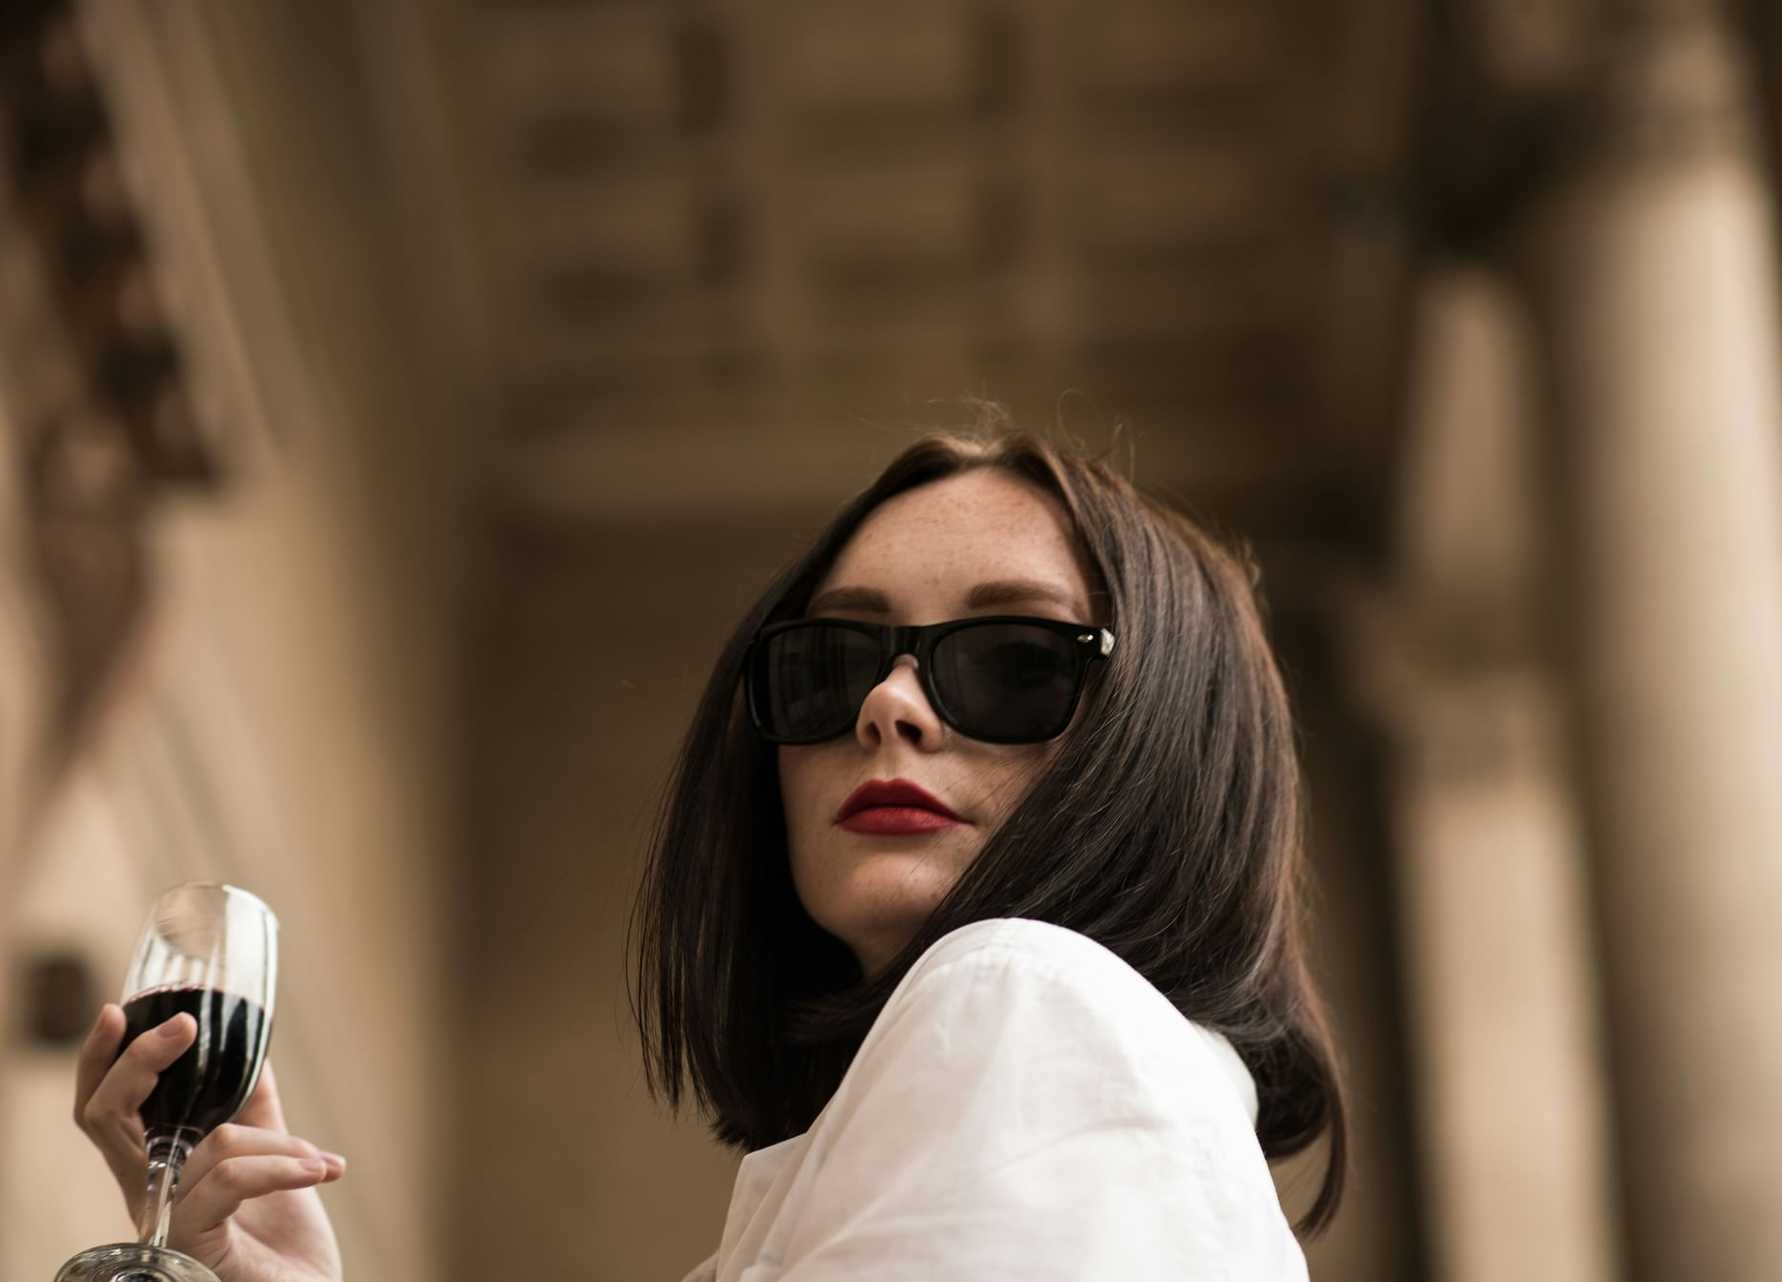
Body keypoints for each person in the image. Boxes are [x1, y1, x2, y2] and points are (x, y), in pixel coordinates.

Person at [70, 418, 1346, 1280]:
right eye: (831, 661)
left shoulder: (1026, 998)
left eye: (1015, 661)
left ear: (1168, 739)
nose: (887, 705)